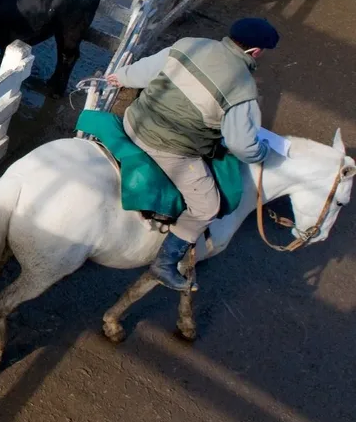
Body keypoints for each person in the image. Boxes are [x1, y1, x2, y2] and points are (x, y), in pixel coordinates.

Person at [106, 19, 280, 291]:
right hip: (170, 149)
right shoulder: (244, 89)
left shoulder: (189, 44)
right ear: (256, 52)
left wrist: (122, 77)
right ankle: (164, 263)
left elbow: (143, 72)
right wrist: (263, 151)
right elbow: (240, 145)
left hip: (134, 121)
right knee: (206, 206)